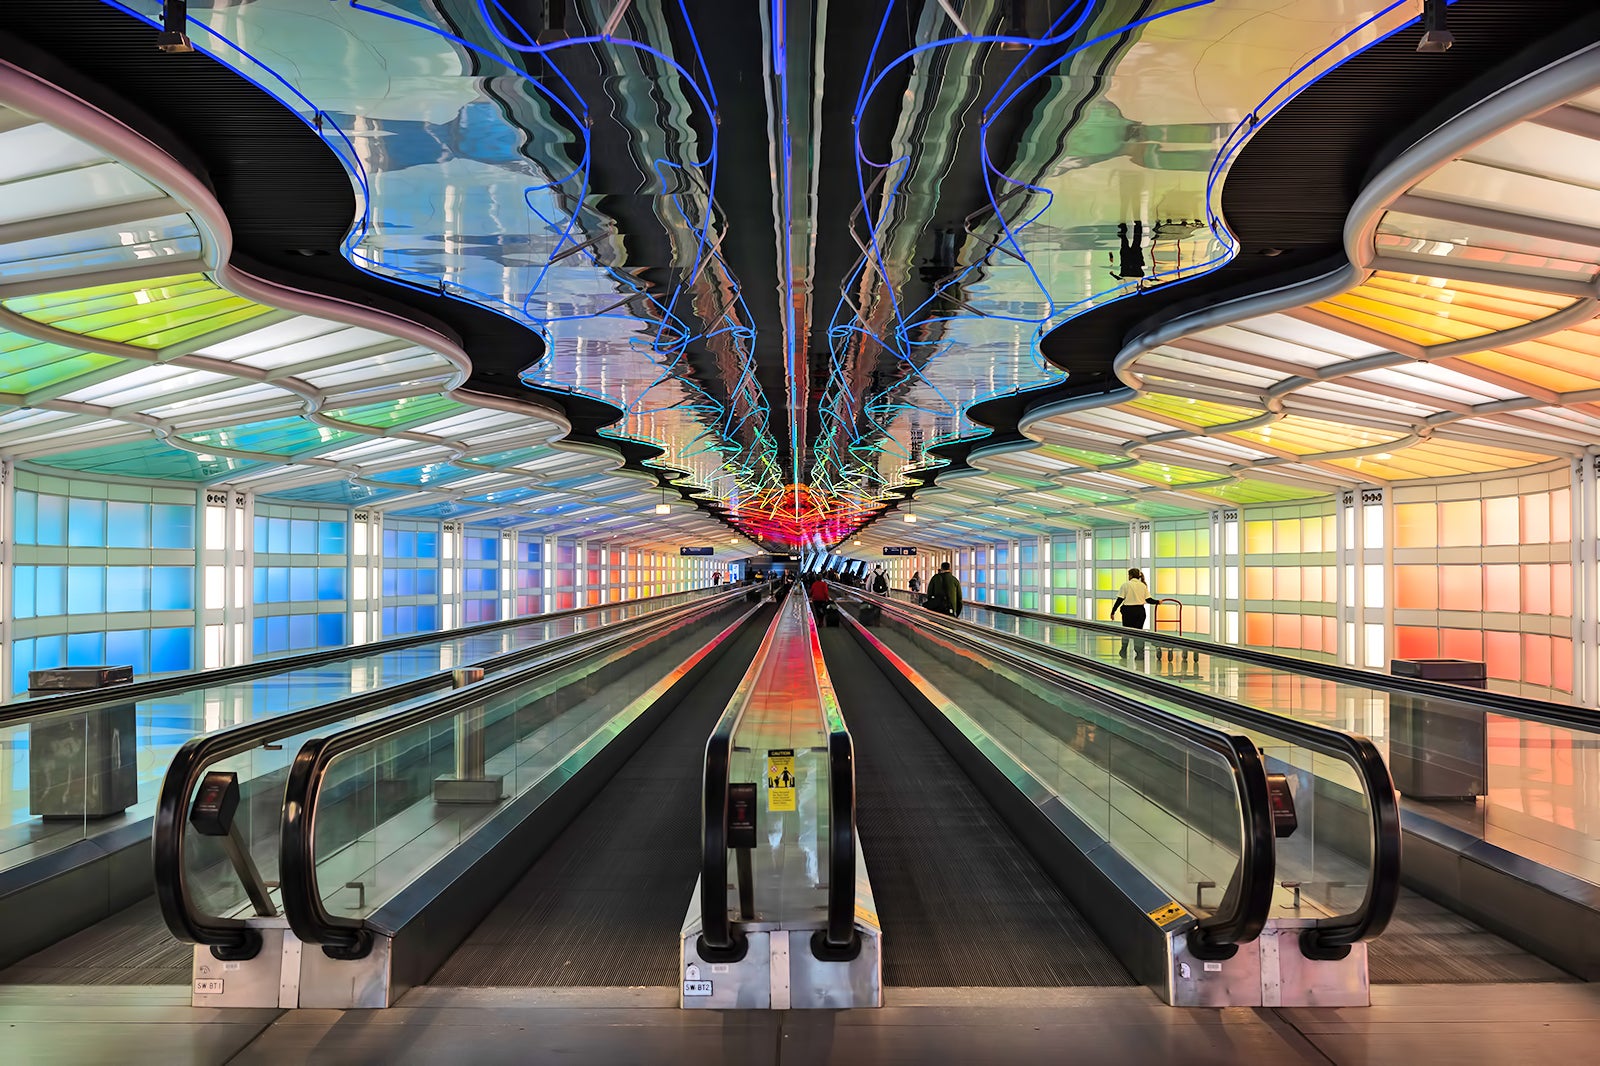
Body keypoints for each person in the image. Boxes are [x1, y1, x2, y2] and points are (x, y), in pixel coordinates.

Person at [1111, 567, 1157, 658]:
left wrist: (1113, 611)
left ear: (1131, 575)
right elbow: (1149, 600)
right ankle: (1139, 653)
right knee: (1138, 632)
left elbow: (1120, 599)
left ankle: (1123, 650)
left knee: (1126, 631)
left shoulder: (1126, 585)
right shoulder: (1143, 585)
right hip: (1140, 611)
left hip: (1128, 612)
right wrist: (1158, 602)